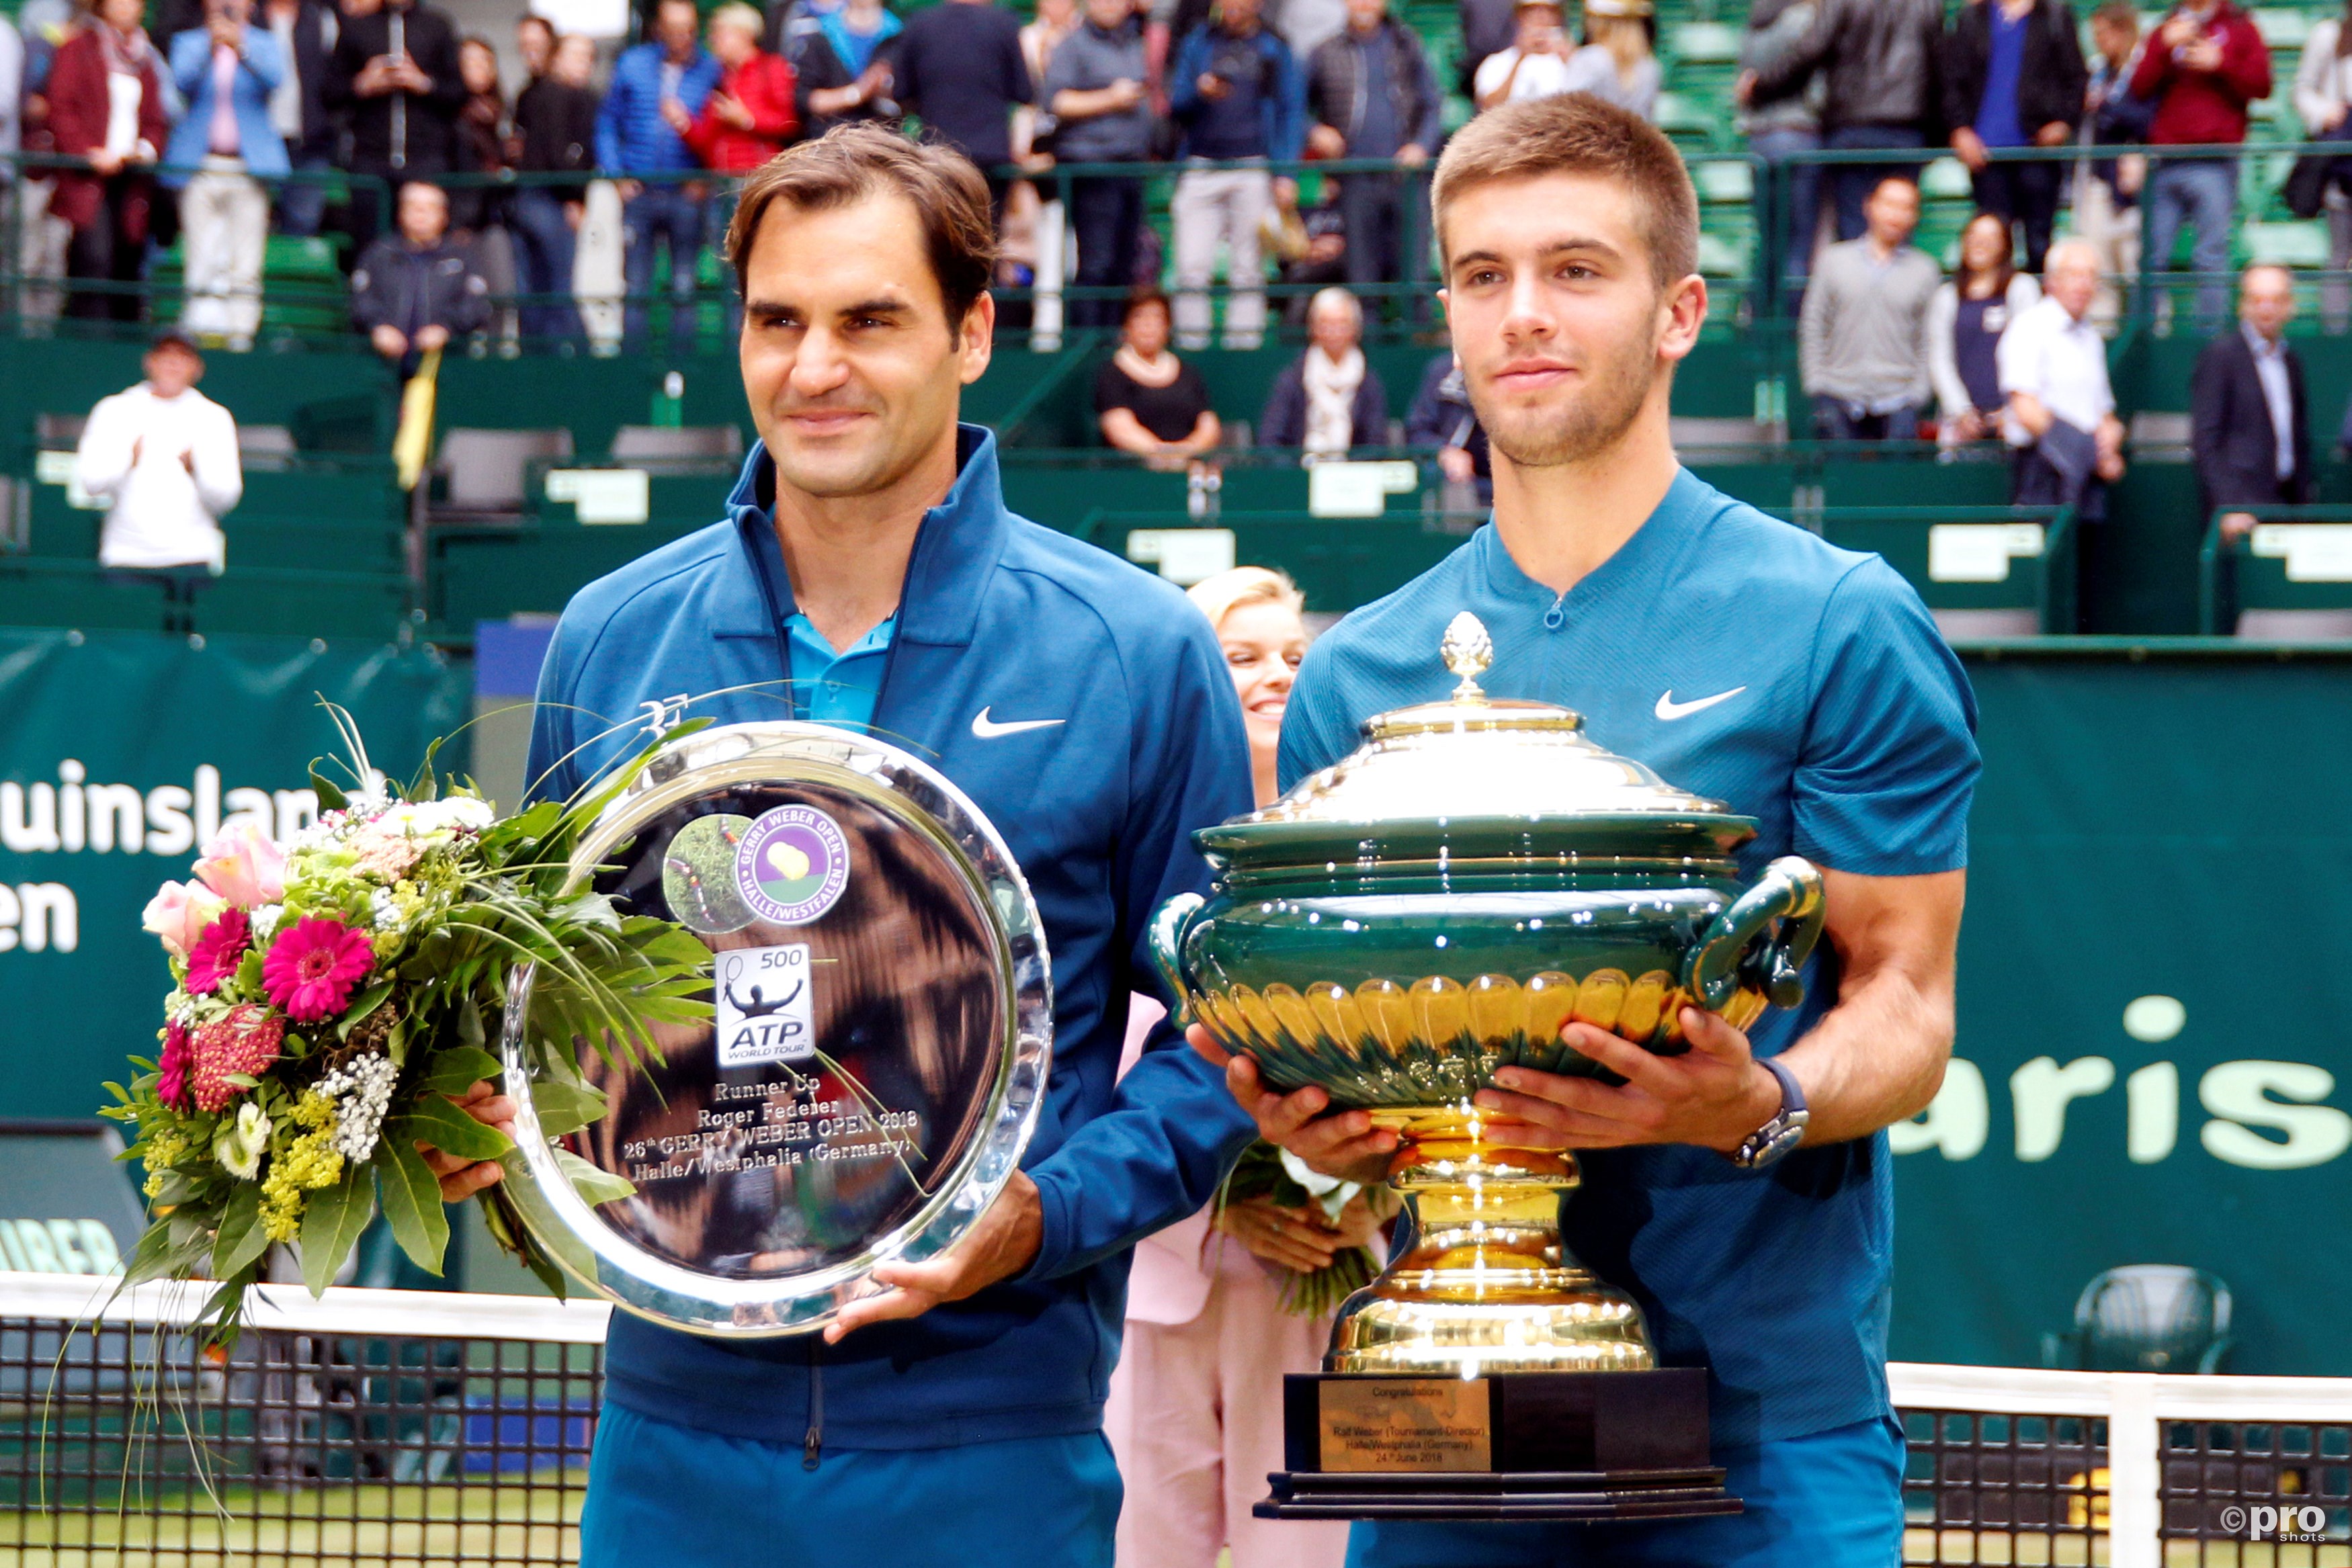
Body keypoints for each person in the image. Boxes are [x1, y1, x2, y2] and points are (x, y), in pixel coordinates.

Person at [419, 122, 1258, 1568]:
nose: (816, 368)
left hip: (991, 1436)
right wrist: (485, 1122)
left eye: (871, 319)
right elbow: (529, 1009)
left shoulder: (1140, 648)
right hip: (669, 1442)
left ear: (974, 330)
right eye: (778, 320)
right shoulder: (599, 634)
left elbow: (1227, 1038)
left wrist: (1042, 1213)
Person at [1193, 91, 1978, 1568]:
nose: (1523, 316)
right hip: (1444, 1419)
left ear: (1679, 310)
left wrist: (1747, 1103)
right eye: (1483, 277)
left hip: (1761, 1434)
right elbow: (1350, 1090)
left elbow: (1908, 1000)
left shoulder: (1835, 619)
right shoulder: (1356, 671)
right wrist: (1323, 1138)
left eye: (1575, 270)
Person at [1103, 566, 1384, 1568]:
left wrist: (1370, 1195)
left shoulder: (1367, 863)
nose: (1277, 673)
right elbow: (1106, 1076)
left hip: (1324, 1286)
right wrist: (1218, 1207)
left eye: (1295, 655)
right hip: (1152, 1289)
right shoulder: (1131, 844)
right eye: (1244, 654)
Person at [73, 330, 243, 632]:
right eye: (166, 357)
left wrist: (197, 469)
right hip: (126, 560)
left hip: (192, 560)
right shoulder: (114, 409)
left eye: (183, 358)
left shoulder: (214, 418)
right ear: (149, 362)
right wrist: (127, 459)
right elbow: (91, 482)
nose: (173, 365)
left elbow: (226, 497)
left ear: (197, 368)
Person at [1741, 0, 1945, 243]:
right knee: (1899, 226)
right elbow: (1939, 63)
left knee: (1854, 230)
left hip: (1853, 126)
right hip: (1907, 128)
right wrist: (1937, 133)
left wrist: (1761, 87)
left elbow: (1811, 50)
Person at [1168, 0, 1304, 350]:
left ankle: (1243, 351)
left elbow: (1291, 110)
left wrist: (1285, 172)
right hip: (1200, 165)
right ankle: (1191, 351)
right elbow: (1175, 103)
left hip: (1252, 167)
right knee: (1190, 267)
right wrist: (1199, 92)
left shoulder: (1275, 46)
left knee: (1248, 271)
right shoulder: (1198, 41)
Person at [2130, 0, 2271, 334]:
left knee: (2211, 258)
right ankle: (2142, 340)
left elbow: (2262, 84)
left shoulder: (2239, 25)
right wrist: (2163, 48)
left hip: (2216, 161)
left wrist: (2221, 63)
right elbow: (2138, 88)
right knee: (2152, 258)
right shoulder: (2167, 26)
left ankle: (2210, 344)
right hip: (2165, 161)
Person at [165, 0, 289, 348]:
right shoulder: (188, 42)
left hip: (248, 166)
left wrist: (242, 49)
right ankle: (198, 334)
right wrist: (210, 48)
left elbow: (276, 80)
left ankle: (240, 336)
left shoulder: (264, 42)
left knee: (246, 260)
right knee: (199, 255)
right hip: (200, 163)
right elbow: (182, 83)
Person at [599, 0, 720, 347]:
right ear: (659, 29)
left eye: (690, 29)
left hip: (687, 193)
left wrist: (704, 177)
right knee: (636, 285)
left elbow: (719, 131)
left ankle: (682, 370)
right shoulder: (632, 64)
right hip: (639, 192)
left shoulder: (711, 69)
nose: (683, 37)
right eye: (675, 29)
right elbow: (607, 123)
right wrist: (616, 175)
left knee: (685, 284)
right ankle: (633, 370)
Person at [1303, 0, 1441, 290]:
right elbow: (1292, 108)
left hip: (1406, 177)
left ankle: (1414, 335)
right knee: (1362, 275)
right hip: (1354, 177)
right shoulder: (1325, 51)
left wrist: (1421, 146)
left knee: (1414, 274)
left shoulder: (1406, 45)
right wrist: (1315, 130)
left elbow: (1432, 104)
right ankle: (1368, 334)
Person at [1941, 0, 2086, 274]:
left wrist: (2063, 123)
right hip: (1986, 156)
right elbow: (1952, 80)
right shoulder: (1973, 17)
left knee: (2039, 244)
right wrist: (1959, 129)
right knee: (1994, 245)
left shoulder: (2054, 15)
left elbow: (2077, 78)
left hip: (2038, 152)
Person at [46, 0, 169, 322]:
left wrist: (143, 149)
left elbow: (156, 119)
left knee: (127, 261)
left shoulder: (146, 59)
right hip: (87, 178)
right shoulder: (77, 50)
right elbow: (61, 108)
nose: (128, 6)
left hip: (132, 179)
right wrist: (88, 152)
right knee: (93, 261)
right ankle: (89, 344)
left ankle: (123, 346)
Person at [1800, 175, 1937, 441]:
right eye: (1889, 203)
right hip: (1838, 394)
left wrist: (1918, 394)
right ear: (1869, 206)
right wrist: (1817, 384)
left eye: (1906, 207)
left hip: (1900, 400)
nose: (1896, 214)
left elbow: (1927, 337)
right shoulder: (1833, 260)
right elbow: (1814, 324)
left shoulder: (1925, 270)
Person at [1042, 0, 1154, 329]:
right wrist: (1111, 98)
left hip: (1131, 167)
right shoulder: (1072, 45)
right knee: (1096, 266)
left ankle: (1113, 345)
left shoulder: (1134, 42)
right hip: (1092, 169)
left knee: (1125, 266)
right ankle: (1088, 347)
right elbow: (1056, 101)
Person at [1998, 236, 2125, 517]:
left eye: (2091, 276)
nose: (2084, 284)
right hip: (2041, 470)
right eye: (2074, 275)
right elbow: (2026, 409)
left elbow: (2103, 412)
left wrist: (2110, 440)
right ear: (2052, 281)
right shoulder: (2028, 327)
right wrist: (2085, 448)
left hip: (2088, 477)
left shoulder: (2091, 337)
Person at [325, 0, 466, 251]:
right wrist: (363, 85)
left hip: (425, 158)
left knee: (427, 242)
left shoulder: (437, 25)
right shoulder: (358, 28)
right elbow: (329, 93)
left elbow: (459, 93)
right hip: (370, 158)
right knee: (370, 242)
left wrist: (423, 83)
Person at [2193, 264, 2312, 541]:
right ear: (2243, 304)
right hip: (2241, 513)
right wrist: (2227, 507)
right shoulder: (2220, 357)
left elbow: (2298, 438)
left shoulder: (2291, 362)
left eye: (2276, 299)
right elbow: (2206, 440)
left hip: (2287, 505)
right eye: (2257, 299)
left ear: (2289, 306)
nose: (2266, 308)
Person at [894, 0, 1031, 212]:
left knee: (942, 233)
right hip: (991, 156)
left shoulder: (919, 24)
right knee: (987, 237)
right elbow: (1023, 92)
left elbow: (901, 92)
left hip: (937, 152)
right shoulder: (1004, 24)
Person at [511, 30, 599, 342]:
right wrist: (575, 196)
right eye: (575, 55)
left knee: (536, 285)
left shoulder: (535, 93)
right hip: (550, 197)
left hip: (529, 196)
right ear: (558, 57)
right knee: (558, 285)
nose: (583, 64)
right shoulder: (568, 96)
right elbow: (563, 151)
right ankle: (577, 359)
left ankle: (538, 354)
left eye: (588, 57)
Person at [1928, 210, 2041, 447]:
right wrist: (1961, 412)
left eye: (1991, 237)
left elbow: (2032, 353)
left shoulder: (2022, 288)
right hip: (1961, 423)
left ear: (2005, 245)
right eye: (1974, 236)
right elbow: (1939, 358)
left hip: (2012, 421)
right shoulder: (1946, 296)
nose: (1981, 243)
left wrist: (2011, 412)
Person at [351, 179, 491, 369]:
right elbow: (360, 298)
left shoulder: (462, 258)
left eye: (430, 208)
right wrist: (378, 327)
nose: (421, 214)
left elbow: (476, 305)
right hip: (382, 364)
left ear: (444, 215)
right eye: (413, 206)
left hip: (446, 364)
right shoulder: (379, 254)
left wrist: (446, 329)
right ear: (401, 212)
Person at [1737, 0, 1824, 298]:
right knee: (1798, 243)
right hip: (1799, 138)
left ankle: (1760, 324)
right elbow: (1818, 92)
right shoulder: (1805, 18)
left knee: (1768, 241)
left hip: (1759, 141)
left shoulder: (1754, 23)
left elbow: (1742, 87)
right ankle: (1789, 329)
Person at [2076, 1, 2152, 324]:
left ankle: (2151, 347)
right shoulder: (2097, 71)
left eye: (2103, 33)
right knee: (2100, 271)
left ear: (2123, 31)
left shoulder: (2148, 69)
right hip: (2099, 179)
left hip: (2137, 185)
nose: (2098, 41)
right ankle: (2102, 344)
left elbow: (2153, 118)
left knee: (2138, 274)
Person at [1097, 286, 1222, 467]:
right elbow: (1119, 427)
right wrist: (1161, 455)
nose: (1149, 325)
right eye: (1140, 316)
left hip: (1188, 469)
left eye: (1157, 317)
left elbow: (1208, 425)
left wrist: (1187, 452)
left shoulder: (1188, 373)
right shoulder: (1112, 374)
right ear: (1126, 325)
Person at [1258, 286, 1386, 458]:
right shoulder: (1292, 379)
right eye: (1326, 324)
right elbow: (1270, 440)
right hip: (1301, 474)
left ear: (1356, 329)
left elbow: (1375, 443)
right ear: (1313, 328)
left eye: (1342, 324)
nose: (1334, 332)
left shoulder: (1369, 382)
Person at [681, 3, 798, 172]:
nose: (713, 39)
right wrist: (684, 124)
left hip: (759, 177)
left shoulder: (771, 68)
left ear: (744, 35)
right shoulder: (720, 77)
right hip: (722, 181)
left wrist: (746, 120)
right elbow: (706, 139)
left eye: (720, 33)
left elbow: (790, 123)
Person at [2294, 1, 2352, 330]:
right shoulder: (2328, 35)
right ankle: (2337, 338)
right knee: (2339, 255)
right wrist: (2325, 112)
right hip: (2342, 166)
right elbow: (2302, 90)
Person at [261, 0, 335, 236]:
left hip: (310, 141)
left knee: (303, 222)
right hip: (257, 141)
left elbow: (334, 77)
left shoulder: (322, 19)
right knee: (253, 221)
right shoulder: (250, 16)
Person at [794, 0, 901, 136]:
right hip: (831, 139)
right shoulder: (822, 33)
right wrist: (857, 93)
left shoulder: (898, 34)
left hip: (883, 138)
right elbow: (806, 100)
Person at [1404, 349, 1490, 503]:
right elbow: (1417, 431)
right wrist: (1445, 452)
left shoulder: (1519, 372)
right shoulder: (1441, 371)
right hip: (1460, 482)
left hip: (1508, 481)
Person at [1558, 0, 1658, 122]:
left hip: (1594, 137)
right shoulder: (1650, 65)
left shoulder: (1590, 58)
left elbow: (1565, 107)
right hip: (1635, 139)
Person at [1472, 0, 1573, 110]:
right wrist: (1520, 58)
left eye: (1549, 11)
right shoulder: (1497, 62)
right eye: (1532, 10)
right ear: (1519, 16)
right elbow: (1488, 107)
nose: (1540, 16)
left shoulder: (1574, 59)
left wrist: (1570, 60)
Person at [515, 11, 554, 81]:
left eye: (536, 44)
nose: (530, 52)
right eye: (525, 45)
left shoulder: (567, 85)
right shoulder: (530, 88)